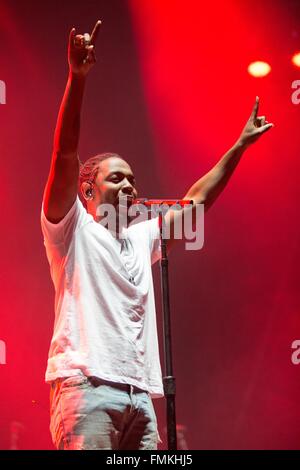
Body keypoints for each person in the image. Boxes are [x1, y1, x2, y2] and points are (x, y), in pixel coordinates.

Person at [41, 20, 273, 450]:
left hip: (141, 398)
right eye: (117, 179)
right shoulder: (71, 227)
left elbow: (195, 204)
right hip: (86, 389)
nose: (130, 186)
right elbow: (65, 153)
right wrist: (77, 78)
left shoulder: (143, 236)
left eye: (133, 179)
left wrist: (238, 147)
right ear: (88, 189)